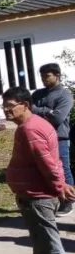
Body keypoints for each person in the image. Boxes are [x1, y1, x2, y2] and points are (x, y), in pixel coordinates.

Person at [2, 86, 75, 254]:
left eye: (10, 106)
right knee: (41, 241)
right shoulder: (36, 124)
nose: (5, 110)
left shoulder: (30, 129)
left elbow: (48, 163)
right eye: (3, 106)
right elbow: (54, 160)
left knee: (50, 245)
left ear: (25, 105)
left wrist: (58, 185)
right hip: (35, 195)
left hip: (38, 197)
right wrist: (60, 183)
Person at [32, 63, 74, 217]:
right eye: (42, 76)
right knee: (44, 169)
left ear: (57, 75)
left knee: (63, 169)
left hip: (59, 137)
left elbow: (57, 118)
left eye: (47, 76)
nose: (44, 79)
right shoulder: (37, 94)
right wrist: (46, 111)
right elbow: (29, 111)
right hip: (39, 137)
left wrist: (39, 112)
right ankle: (49, 200)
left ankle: (68, 201)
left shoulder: (64, 95)